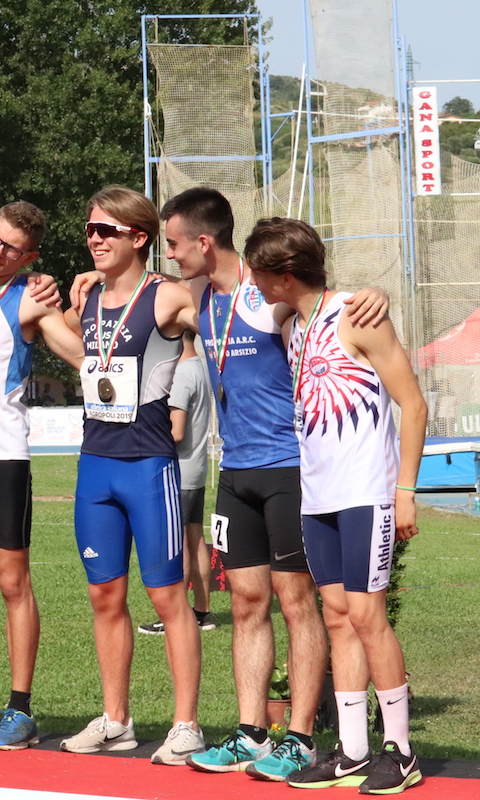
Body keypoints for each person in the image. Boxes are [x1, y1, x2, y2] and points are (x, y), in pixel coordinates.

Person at [154, 188, 379, 781]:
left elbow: (325, 302)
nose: (170, 254)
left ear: (205, 242)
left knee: (297, 603)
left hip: (290, 470)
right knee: (246, 602)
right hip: (236, 473)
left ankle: (299, 738)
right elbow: (131, 295)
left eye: (174, 243)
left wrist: (372, 294)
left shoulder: (269, 295)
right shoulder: (196, 297)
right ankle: (251, 732)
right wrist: (84, 281)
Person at [245, 218, 427, 795]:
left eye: (258, 272)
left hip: (366, 494)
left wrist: (405, 490)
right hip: (317, 497)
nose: (252, 281)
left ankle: (401, 752)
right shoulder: (289, 322)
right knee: (337, 619)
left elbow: (413, 404)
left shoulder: (358, 315)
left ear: (284, 275)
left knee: (368, 617)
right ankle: (352, 751)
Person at [59, 186, 204, 766]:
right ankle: (116, 720)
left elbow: (222, 311)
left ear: (138, 237)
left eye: (105, 230)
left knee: (168, 597)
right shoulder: (88, 296)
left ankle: (186, 725)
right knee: (104, 595)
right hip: (95, 465)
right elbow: (58, 331)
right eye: (89, 229)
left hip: (148, 465)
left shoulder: (166, 296)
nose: (93, 239)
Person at [0, 201, 83, 751]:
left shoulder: (30, 297)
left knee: (12, 583)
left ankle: (19, 708)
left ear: (31, 257)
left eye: (13, 249)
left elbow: (76, 351)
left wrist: (80, 309)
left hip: (3, 458)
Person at [136, 329, 215, 635]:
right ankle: (202, 612)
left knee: (178, 544)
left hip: (179, 471)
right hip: (195, 469)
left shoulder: (181, 373)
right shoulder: (200, 367)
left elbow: (177, 432)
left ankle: (176, 616)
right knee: (195, 540)